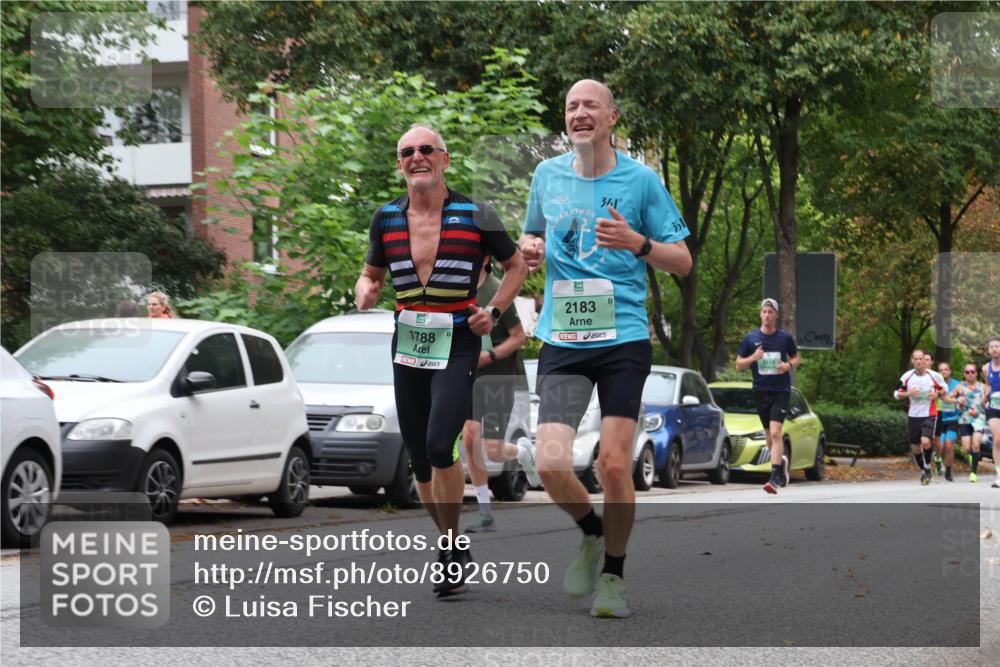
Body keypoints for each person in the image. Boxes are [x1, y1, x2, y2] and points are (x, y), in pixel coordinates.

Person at [519, 79, 692, 618]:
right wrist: (529, 250)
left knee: (615, 465)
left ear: (612, 117)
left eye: (590, 105)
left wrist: (638, 243)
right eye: (571, 106)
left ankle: (613, 576)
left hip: (622, 337)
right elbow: (531, 240)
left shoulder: (641, 181)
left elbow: (682, 261)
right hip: (564, 337)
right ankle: (591, 533)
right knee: (548, 464)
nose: (580, 113)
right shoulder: (545, 176)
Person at [355, 124, 527, 597]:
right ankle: (453, 546)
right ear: (400, 164)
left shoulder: (477, 214)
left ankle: (450, 547)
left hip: (457, 339)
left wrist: (491, 312)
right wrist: (365, 291)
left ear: (444, 159)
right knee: (418, 457)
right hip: (408, 341)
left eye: (426, 149)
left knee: (438, 444)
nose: (417, 157)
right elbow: (369, 274)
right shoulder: (385, 218)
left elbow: (516, 266)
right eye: (407, 151)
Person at [461, 257, 537, 533]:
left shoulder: (497, 289)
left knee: (493, 449)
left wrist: (489, 356)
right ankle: (485, 513)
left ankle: (522, 451)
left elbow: (518, 337)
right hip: (468, 377)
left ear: (483, 260)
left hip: (498, 377)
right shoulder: (458, 290)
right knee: (470, 439)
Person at [735, 298, 801, 494]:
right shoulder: (750, 338)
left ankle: (773, 477)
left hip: (780, 390)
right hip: (760, 391)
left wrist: (787, 366)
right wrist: (753, 358)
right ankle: (781, 464)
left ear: (776, 315)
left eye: (770, 312)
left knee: (775, 433)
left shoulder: (784, 338)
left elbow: (796, 357)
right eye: (764, 312)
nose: (766, 315)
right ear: (760, 314)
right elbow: (739, 365)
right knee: (769, 438)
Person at [895, 349, 946, 485]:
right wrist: (908, 393)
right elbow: (896, 393)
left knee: (925, 441)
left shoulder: (934, 376)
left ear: (925, 360)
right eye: (915, 359)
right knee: (916, 448)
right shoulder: (906, 376)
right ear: (912, 361)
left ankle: (928, 465)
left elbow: (944, 388)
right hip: (913, 415)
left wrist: (938, 394)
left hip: (929, 414)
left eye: (920, 359)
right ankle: (924, 470)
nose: (918, 361)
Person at [947, 363, 988, 482]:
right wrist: (956, 400)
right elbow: (947, 398)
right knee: (966, 448)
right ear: (964, 374)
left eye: (972, 372)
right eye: (967, 372)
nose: (970, 374)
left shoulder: (983, 386)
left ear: (976, 373)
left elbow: (992, 398)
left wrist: (987, 401)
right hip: (964, 419)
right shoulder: (959, 386)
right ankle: (974, 457)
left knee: (976, 444)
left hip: (979, 418)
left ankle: (973, 473)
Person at [936, 361, 961, 482]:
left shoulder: (957, 385)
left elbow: (964, 398)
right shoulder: (935, 386)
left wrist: (959, 401)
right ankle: (939, 462)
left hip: (953, 419)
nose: (943, 372)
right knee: (939, 446)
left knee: (949, 444)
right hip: (939, 419)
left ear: (950, 371)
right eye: (941, 370)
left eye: (946, 369)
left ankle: (949, 470)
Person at [981, 337, 1000, 489]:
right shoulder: (986, 368)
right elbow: (988, 385)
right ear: (988, 350)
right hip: (994, 406)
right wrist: (985, 395)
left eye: (997, 346)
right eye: (991, 347)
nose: (994, 349)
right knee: (997, 439)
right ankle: (999, 475)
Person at [924, 352, 946, 475]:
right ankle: (926, 466)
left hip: (936, 411)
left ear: (932, 362)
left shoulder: (936, 376)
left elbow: (944, 391)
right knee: (924, 440)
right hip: (921, 412)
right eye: (923, 359)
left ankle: (937, 458)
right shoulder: (916, 376)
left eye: (927, 360)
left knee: (937, 440)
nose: (925, 362)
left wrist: (937, 394)